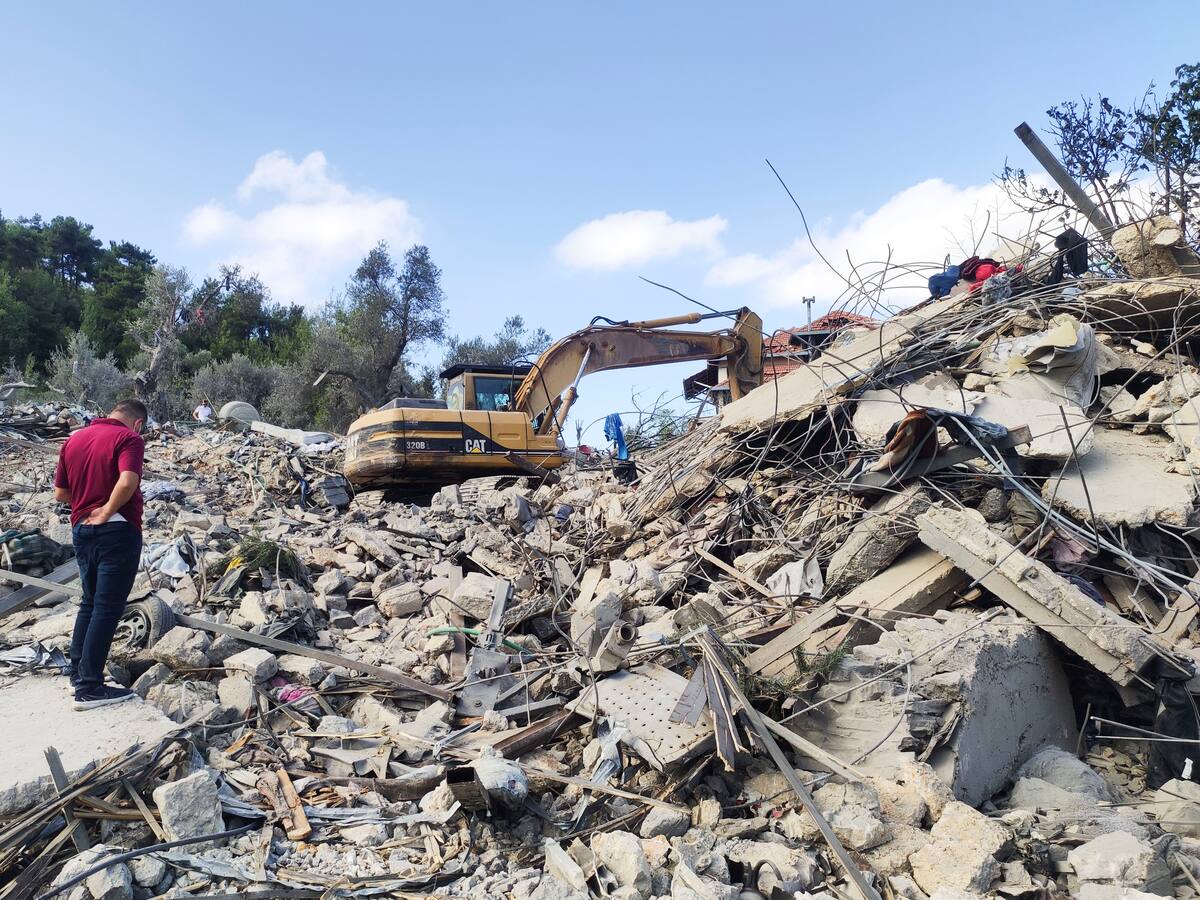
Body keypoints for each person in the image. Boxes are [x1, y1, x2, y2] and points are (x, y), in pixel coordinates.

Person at [53, 399, 147, 710]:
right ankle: (89, 687)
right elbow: (128, 480)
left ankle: (76, 674)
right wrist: (107, 509)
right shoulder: (128, 438)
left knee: (89, 602)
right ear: (137, 423)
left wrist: (89, 505)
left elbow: (61, 494)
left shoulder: (74, 439)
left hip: (82, 528)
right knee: (107, 608)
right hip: (116, 530)